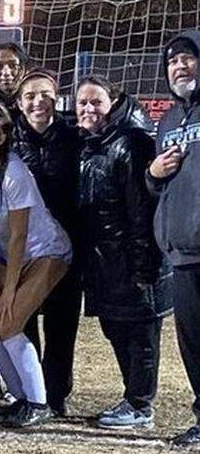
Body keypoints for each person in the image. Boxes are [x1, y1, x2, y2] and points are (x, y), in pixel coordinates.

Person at [0, 104, 71, 428]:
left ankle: (39, 403)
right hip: (6, 256)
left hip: (46, 252)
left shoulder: (14, 172)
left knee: (7, 321)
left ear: (0, 138)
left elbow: (19, 236)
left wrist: (7, 292)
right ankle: (21, 398)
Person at [76, 76, 171, 429]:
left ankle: (140, 405)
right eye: (82, 102)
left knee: (140, 337)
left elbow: (140, 211)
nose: (88, 109)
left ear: (113, 103)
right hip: (105, 263)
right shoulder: (92, 144)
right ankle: (132, 399)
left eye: (96, 102)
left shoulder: (129, 143)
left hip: (130, 262)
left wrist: (144, 267)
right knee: (116, 331)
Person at [12, 69, 83, 418]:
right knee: (24, 322)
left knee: (61, 326)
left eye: (45, 95)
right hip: (23, 248)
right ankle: (30, 392)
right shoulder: (8, 141)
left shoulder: (74, 138)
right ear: (18, 102)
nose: (38, 102)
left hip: (65, 249)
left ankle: (56, 395)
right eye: (30, 96)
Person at [147, 31, 200, 447]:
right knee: (194, 344)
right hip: (182, 252)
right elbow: (158, 185)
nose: (179, 67)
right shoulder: (167, 122)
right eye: (172, 62)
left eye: (187, 58)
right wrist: (153, 173)